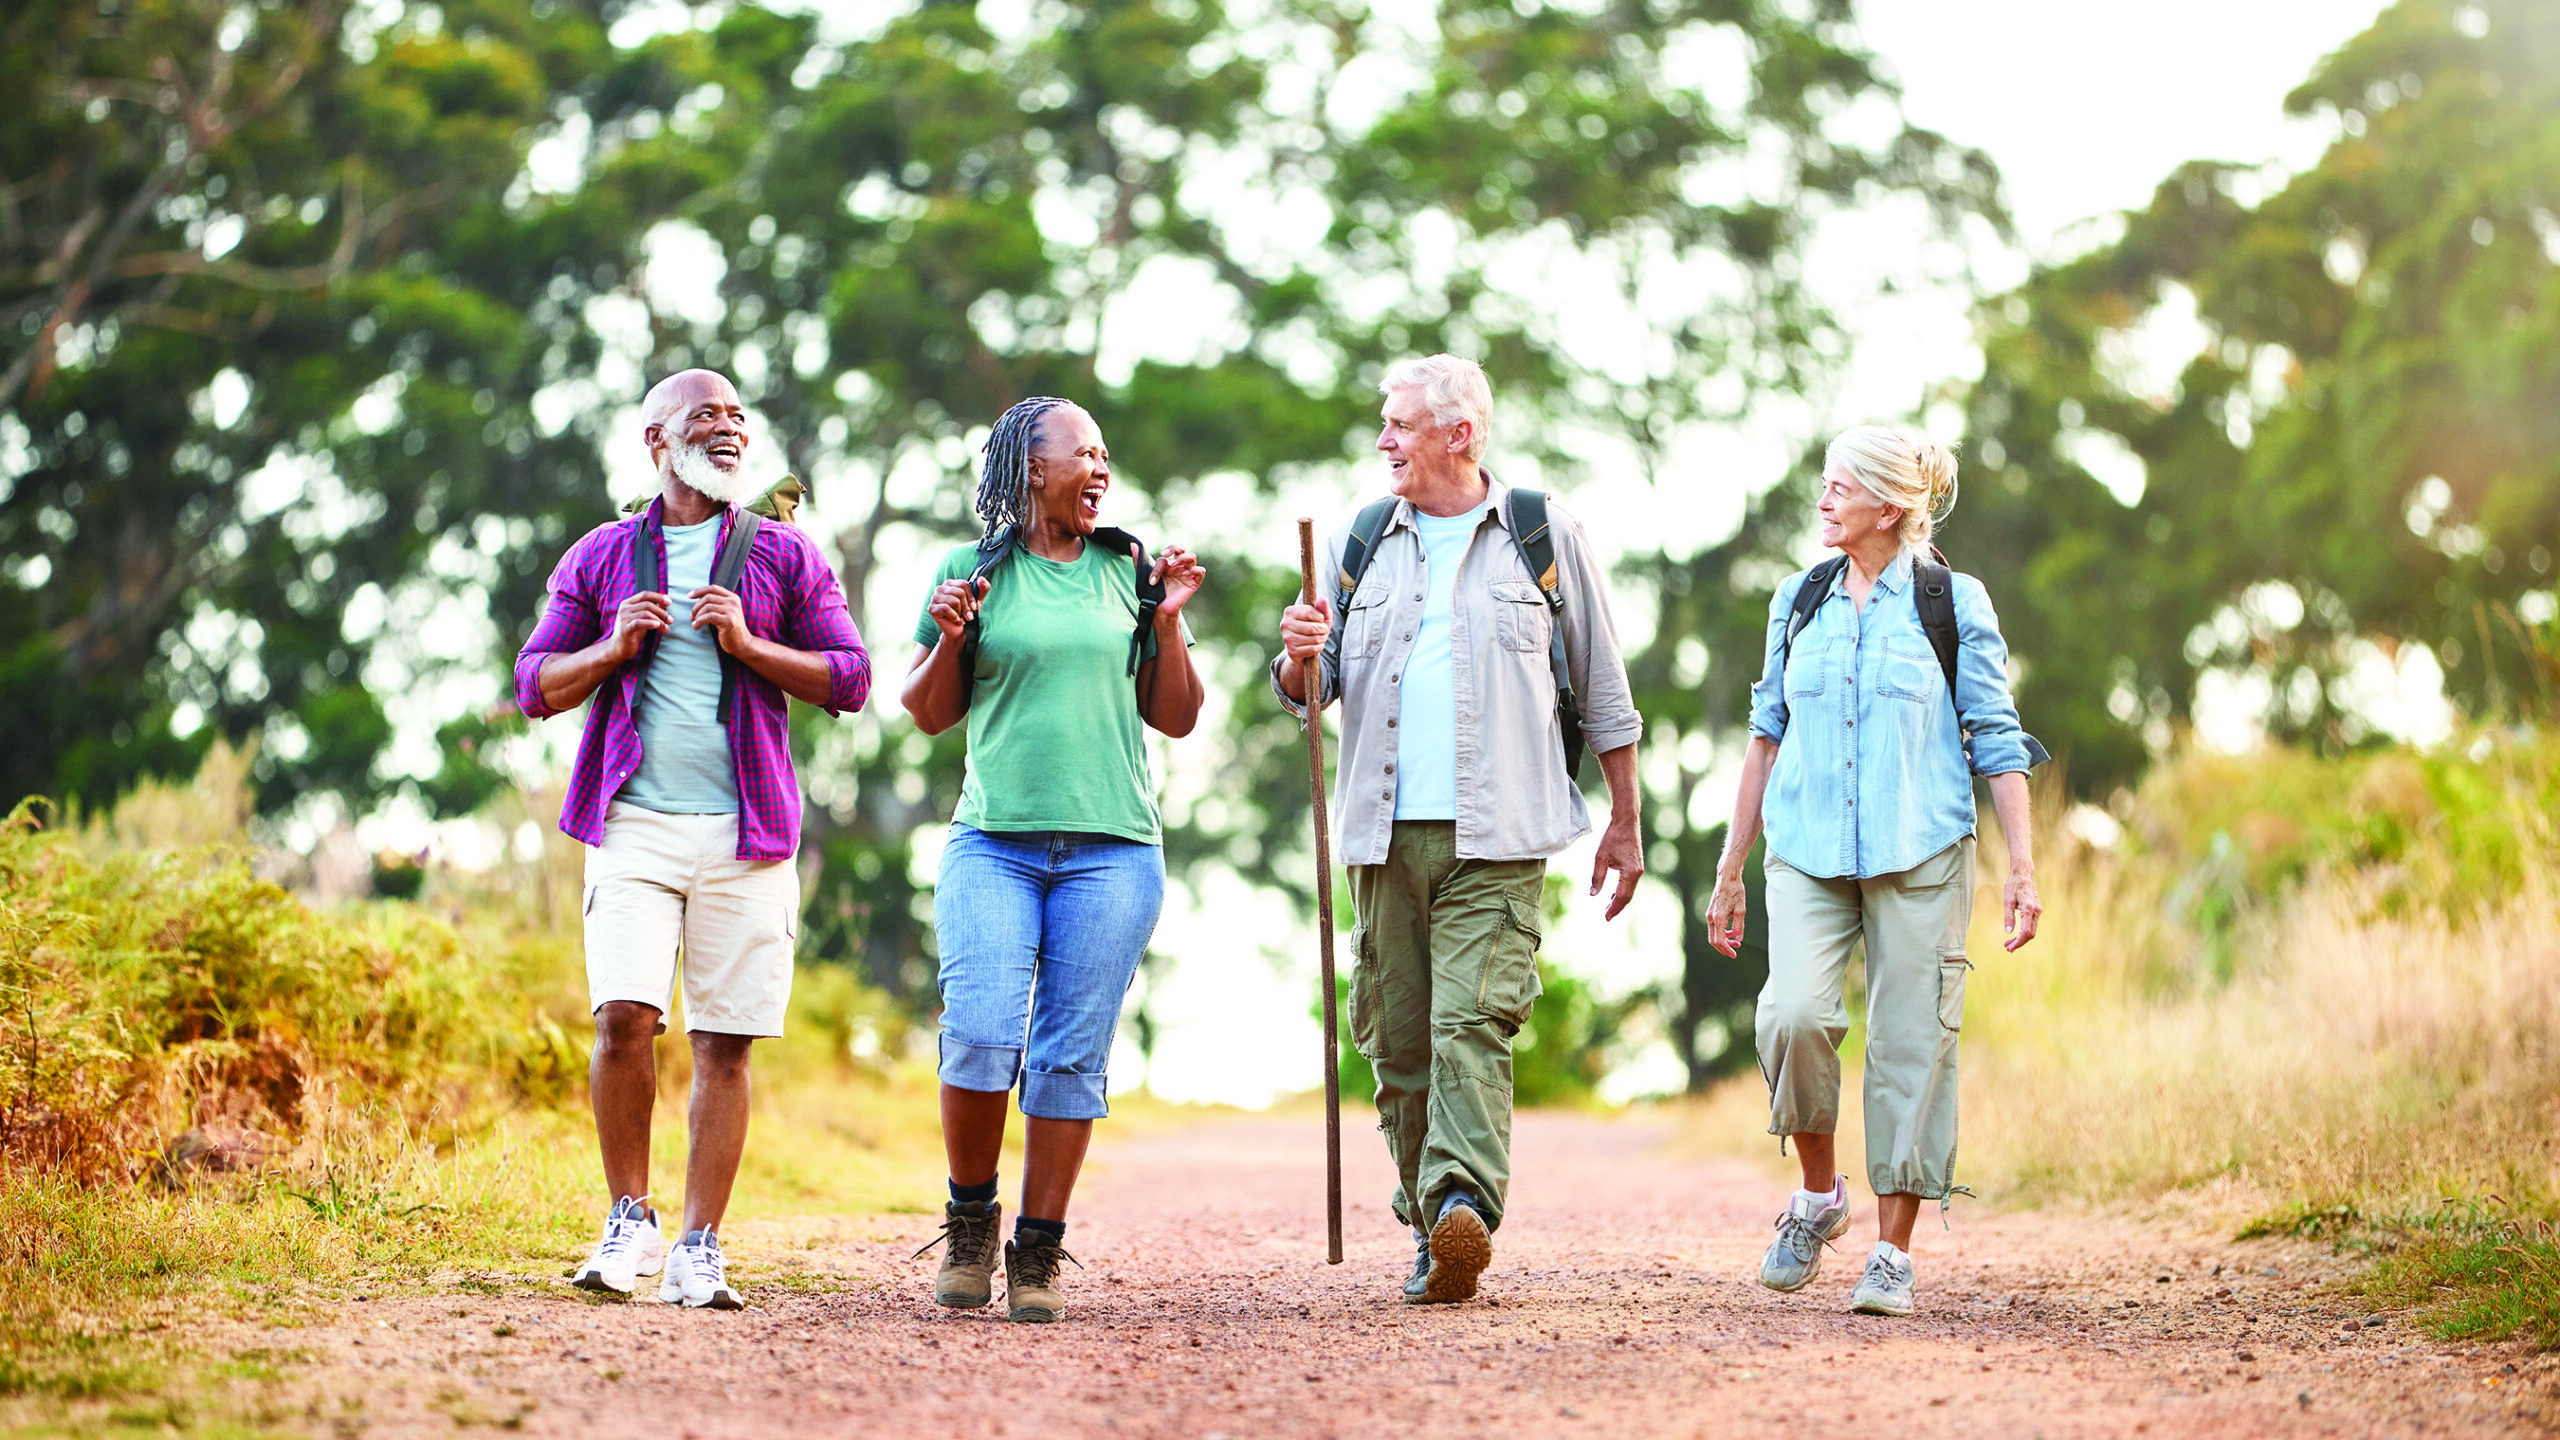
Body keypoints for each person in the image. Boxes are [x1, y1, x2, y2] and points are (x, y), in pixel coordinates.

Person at [1272, 354, 1644, 1305]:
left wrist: (1625, 823)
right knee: (1397, 1044)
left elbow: (1604, 689)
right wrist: (1295, 658)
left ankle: (1459, 1204)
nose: (1384, 440)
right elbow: (1309, 695)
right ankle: (1431, 1225)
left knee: (1468, 1024)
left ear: (1459, 433)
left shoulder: (1540, 532)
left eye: (1399, 424)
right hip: (1381, 837)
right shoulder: (1360, 539)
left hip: (1502, 833)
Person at [515, 369, 870, 1309]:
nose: (728, 429)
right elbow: (533, 683)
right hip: (631, 823)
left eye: (738, 419)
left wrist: (752, 646)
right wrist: (608, 649)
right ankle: (629, 1222)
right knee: (623, 1019)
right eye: (704, 415)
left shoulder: (784, 556)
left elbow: (851, 677)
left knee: (724, 1043)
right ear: (654, 441)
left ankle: (700, 1246)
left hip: (749, 833)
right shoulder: (600, 556)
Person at [1706, 424, 2047, 1318]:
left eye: (1837, 488)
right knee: (1794, 1016)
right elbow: (1765, 733)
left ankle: (1891, 1254)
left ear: (1889, 508)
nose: (1822, 500)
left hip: (1921, 847)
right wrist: (1730, 868)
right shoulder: (1799, 597)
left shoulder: (1951, 601)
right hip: (1809, 849)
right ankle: (1819, 1197)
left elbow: (1998, 739)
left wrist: (2022, 866)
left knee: (1909, 1045)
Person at [903, 396, 1206, 1324]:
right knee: (984, 1033)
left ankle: (1036, 1252)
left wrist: (1166, 621)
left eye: (1107, 454)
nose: (1102, 470)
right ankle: (969, 1223)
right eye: (1086, 454)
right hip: (993, 843)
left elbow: (1179, 716)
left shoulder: (1128, 571)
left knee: (1069, 1056)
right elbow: (924, 710)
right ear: (1033, 470)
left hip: (1113, 852)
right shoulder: (970, 572)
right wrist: (953, 637)